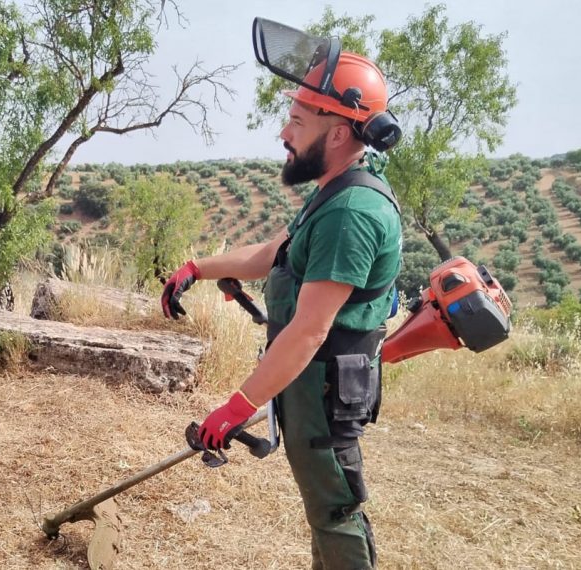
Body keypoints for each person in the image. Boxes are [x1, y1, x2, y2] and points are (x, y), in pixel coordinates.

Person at [161, 51, 403, 569]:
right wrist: (196, 268)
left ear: (338, 134)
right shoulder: (332, 193)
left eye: (296, 121)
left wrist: (237, 407)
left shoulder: (353, 213)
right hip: (306, 383)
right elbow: (275, 252)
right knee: (323, 507)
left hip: (324, 385)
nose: (282, 133)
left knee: (335, 509)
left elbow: (310, 331)